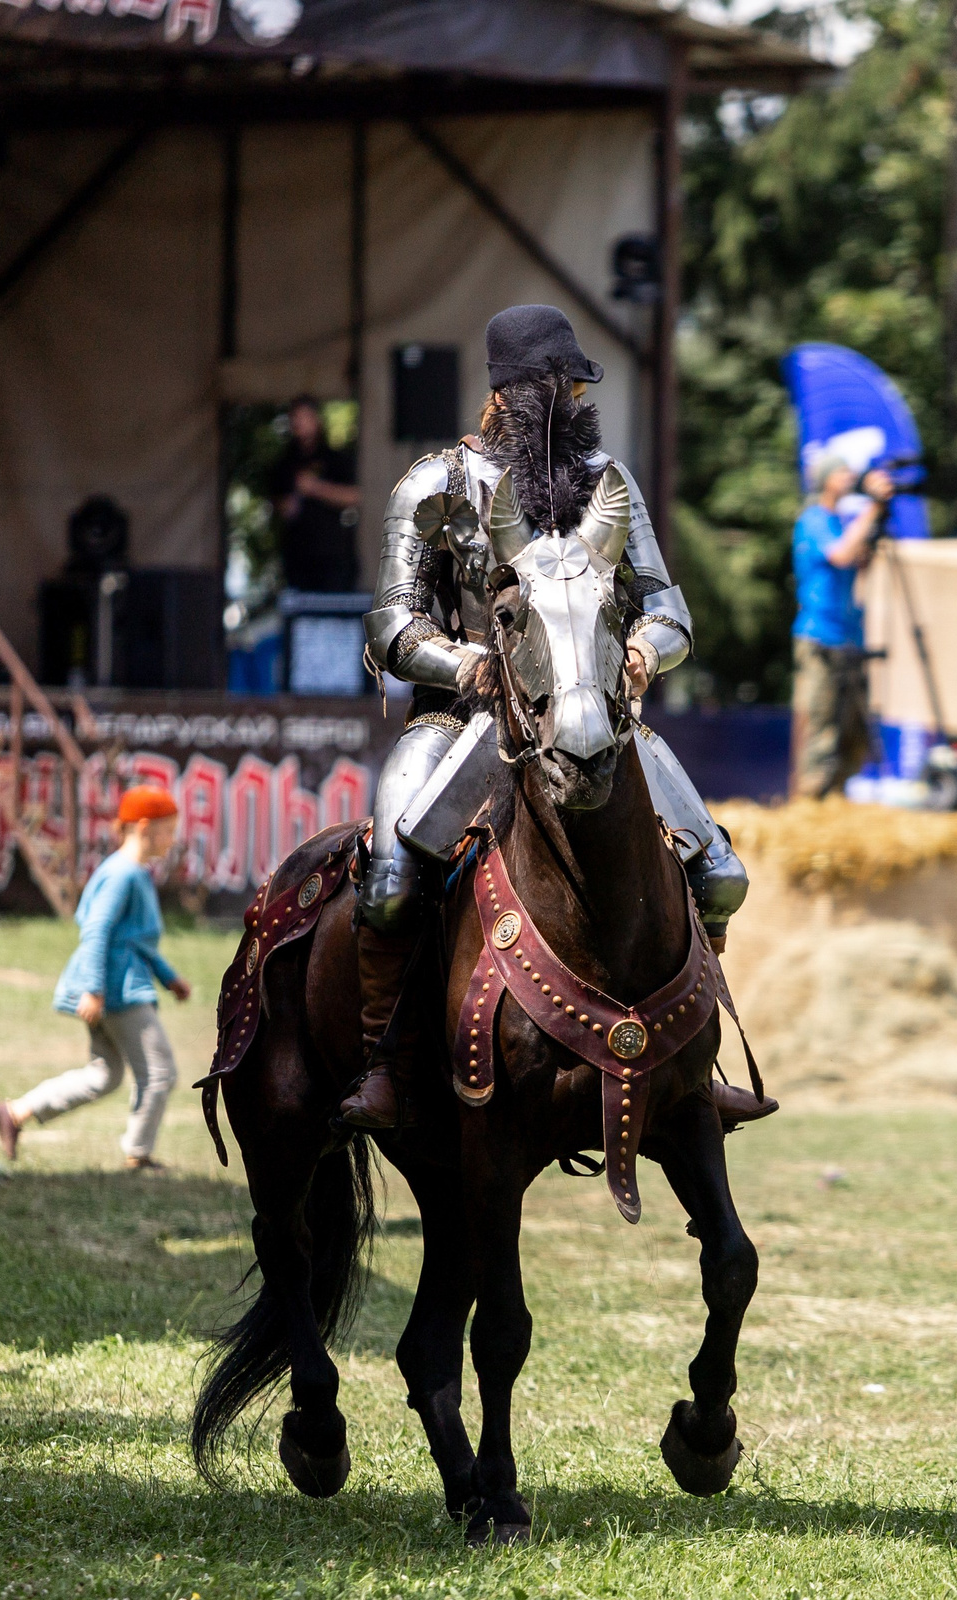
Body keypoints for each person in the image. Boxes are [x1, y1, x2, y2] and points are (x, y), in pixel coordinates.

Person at [347, 303, 751, 1131]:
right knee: (391, 884)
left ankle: (689, 1068)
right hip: (459, 720)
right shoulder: (434, 486)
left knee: (718, 874)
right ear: (508, 392)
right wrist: (468, 663)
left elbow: (666, 606)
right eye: (552, 385)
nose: (566, 400)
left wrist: (644, 651)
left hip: (597, 718)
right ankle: (388, 1067)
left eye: (572, 386)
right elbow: (391, 626)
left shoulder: (607, 480)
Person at [0, 788, 191, 1171]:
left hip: (116, 989)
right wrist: (95, 989)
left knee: (105, 1075)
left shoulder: (129, 873)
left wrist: (169, 978)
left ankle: (16, 1112)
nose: (173, 840)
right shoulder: (123, 874)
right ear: (145, 828)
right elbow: (97, 931)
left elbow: (134, 941)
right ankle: (138, 1154)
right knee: (160, 1072)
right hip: (118, 992)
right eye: (169, 830)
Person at [789, 443, 894, 799]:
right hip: (820, 639)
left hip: (848, 638)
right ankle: (812, 802)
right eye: (841, 472)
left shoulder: (837, 522)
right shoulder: (814, 519)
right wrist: (874, 508)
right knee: (822, 730)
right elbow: (842, 554)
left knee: (851, 733)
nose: (849, 477)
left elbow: (857, 560)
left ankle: (836, 797)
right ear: (825, 481)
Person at [267, 397, 364, 594]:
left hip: (333, 555)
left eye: (304, 417)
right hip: (298, 556)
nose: (299, 423)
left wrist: (316, 488)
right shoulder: (284, 463)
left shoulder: (334, 459)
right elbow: (278, 506)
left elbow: (354, 496)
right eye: (295, 418)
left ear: (316, 419)